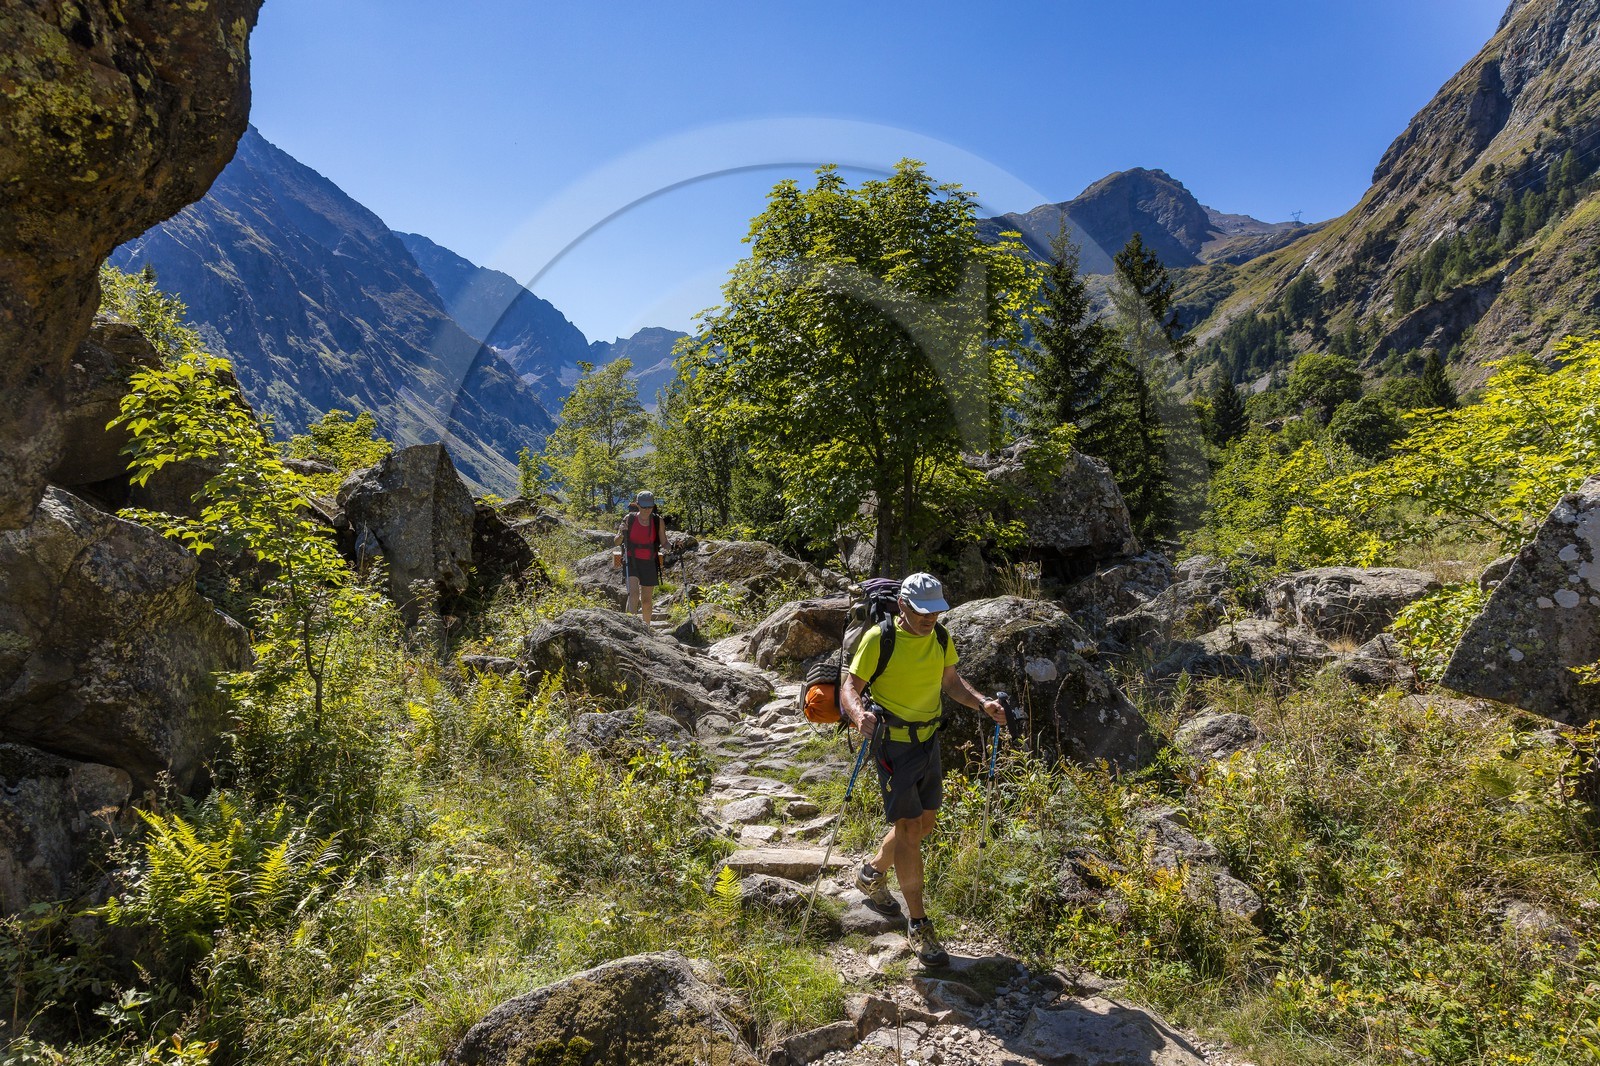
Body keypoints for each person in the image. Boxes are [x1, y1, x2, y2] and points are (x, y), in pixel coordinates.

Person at [839, 572, 1005, 967]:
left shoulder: (942, 638)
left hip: (929, 741)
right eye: (922, 611)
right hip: (893, 745)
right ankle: (919, 924)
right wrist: (859, 714)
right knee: (910, 829)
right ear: (903, 607)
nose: (931, 618)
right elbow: (849, 687)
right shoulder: (881, 639)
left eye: (936, 611)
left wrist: (982, 703)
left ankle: (871, 873)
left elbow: (951, 683)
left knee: (923, 823)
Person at [615, 490, 663, 625]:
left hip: (650, 562)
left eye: (650, 506)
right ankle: (630, 626)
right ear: (637, 505)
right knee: (634, 595)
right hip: (632, 560)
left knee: (647, 601)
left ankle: (646, 629)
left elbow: (664, 542)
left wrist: (676, 546)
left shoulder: (657, 521)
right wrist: (621, 534)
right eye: (644, 507)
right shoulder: (629, 519)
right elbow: (616, 542)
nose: (647, 510)